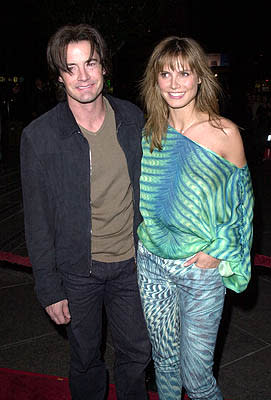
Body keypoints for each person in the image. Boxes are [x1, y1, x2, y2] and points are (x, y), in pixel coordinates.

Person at [20, 24, 151, 400]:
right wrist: (48, 287)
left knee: (137, 352)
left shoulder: (132, 120)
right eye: (70, 67)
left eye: (90, 63)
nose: (82, 76)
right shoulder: (39, 136)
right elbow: (37, 222)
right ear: (58, 76)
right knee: (85, 357)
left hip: (131, 264)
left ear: (104, 67)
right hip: (78, 271)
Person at [136, 36, 254, 400]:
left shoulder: (225, 134)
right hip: (152, 264)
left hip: (198, 270)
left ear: (200, 77)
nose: (174, 83)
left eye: (184, 73)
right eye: (165, 74)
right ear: (155, 80)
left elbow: (243, 207)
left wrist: (219, 251)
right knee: (165, 363)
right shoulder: (151, 132)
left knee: (197, 377)